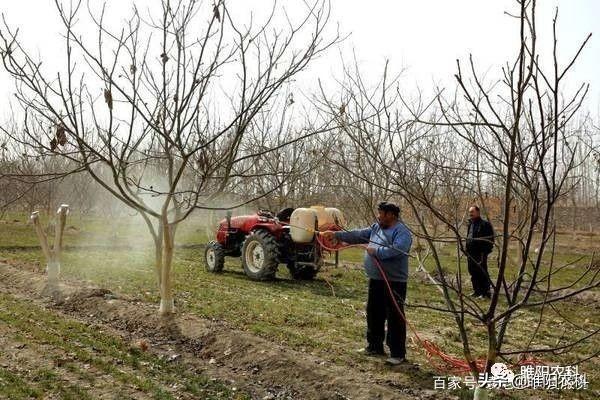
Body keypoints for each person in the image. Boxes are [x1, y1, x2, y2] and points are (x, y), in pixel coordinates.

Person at [321, 201, 412, 366]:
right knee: (374, 313)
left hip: (394, 282)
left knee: (395, 317)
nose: (379, 216)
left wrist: (376, 251)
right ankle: (374, 346)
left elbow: (398, 250)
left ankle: (397, 353)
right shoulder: (376, 228)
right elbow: (358, 234)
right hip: (376, 280)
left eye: (382, 214)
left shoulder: (402, 232)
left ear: (391, 215)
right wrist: (336, 235)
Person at [465, 205, 494, 299]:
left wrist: (485, 252)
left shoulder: (485, 224)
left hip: (480, 253)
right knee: (472, 272)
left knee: (482, 272)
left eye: (472, 212)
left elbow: (490, 240)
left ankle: (485, 293)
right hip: (470, 253)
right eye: (470, 212)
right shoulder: (470, 224)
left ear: (478, 212)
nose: (470, 214)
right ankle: (476, 291)